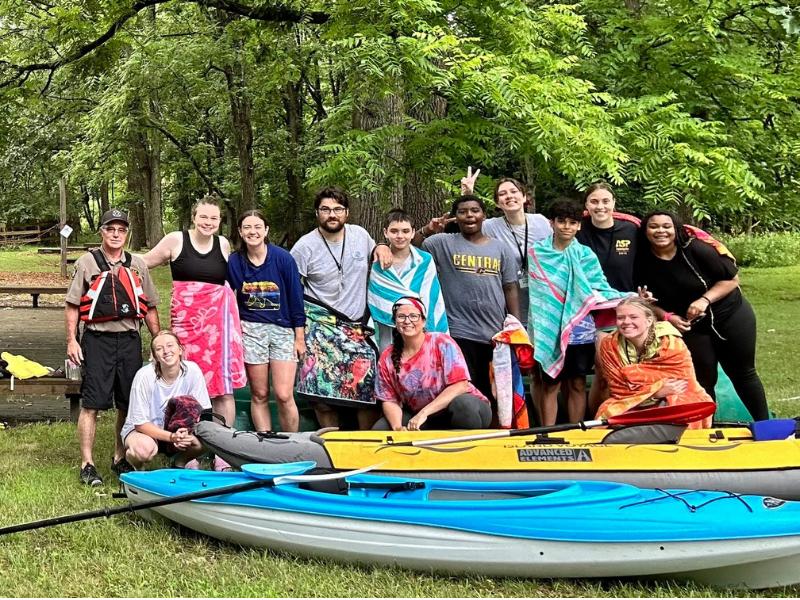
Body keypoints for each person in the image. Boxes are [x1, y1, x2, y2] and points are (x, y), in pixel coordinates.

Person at [633, 210, 769, 420]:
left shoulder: (695, 249)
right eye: (654, 226)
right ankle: (707, 431)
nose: (661, 231)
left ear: (676, 229)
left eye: (666, 226)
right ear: (645, 231)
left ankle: (764, 425)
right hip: (690, 325)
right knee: (702, 379)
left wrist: (704, 300)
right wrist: (668, 317)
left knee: (743, 373)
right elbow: (647, 302)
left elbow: (732, 280)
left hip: (730, 315)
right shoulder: (641, 260)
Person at [143, 195, 246, 470]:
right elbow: (144, 263)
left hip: (218, 330)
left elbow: (233, 284)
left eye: (214, 218)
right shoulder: (176, 240)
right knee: (184, 386)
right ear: (194, 217)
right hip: (186, 329)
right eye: (203, 217)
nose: (208, 222)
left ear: (220, 221)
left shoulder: (223, 244)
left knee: (222, 392)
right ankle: (187, 451)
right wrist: (111, 258)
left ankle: (224, 454)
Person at [65, 208, 161, 486]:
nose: (116, 234)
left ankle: (120, 457)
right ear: (102, 232)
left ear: (127, 233)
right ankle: (87, 464)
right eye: (110, 229)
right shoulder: (87, 263)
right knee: (92, 403)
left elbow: (151, 306)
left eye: (121, 229)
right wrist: (71, 340)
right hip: (97, 340)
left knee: (126, 403)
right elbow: (72, 305)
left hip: (130, 340)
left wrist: (157, 341)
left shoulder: (137, 264)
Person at [290, 186, 392, 430]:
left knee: (365, 393)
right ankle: (330, 446)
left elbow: (379, 254)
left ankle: (365, 445)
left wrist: (382, 245)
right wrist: (299, 335)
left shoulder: (359, 235)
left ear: (346, 212)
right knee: (322, 396)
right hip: (320, 326)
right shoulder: (305, 246)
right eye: (325, 209)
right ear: (317, 213)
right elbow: (293, 291)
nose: (332, 214)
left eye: (337, 209)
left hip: (357, 327)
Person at [528, 199, 631, 426]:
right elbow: (540, 295)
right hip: (548, 327)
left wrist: (630, 297)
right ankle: (548, 433)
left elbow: (600, 288)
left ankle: (576, 431)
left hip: (580, 327)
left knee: (576, 382)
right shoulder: (536, 254)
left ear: (579, 226)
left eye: (572, 222)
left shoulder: (586, 255)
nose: (566, 226)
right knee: (550, 383)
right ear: (551, 223)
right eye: (561, 221)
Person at [414, 194, 520, 414]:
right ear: (455, 217)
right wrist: (428, 229)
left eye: (475, 210)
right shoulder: (441, 243)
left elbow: (510, 287)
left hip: (495, 335)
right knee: (465, 393)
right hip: (459, 334)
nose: (469, 215)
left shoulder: (501, 249)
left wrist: (516, 325)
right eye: (462, 212)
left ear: (484, 215)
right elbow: (410, 247)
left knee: (496, 393)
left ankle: (494, 437)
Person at [227, 210, 305, 432]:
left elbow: (296, 299)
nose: (253, 232)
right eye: (248, 227)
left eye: (258, 227)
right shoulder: (235, 261)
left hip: (283, 329)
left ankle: (292, 443)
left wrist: (299, 337)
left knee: (283, 393)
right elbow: (226, 294)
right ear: (241, 232)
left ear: (266, 230)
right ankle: (266, 442)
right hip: (251, 330)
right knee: (259, 393)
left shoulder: (283, 259)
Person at [374, 298, 491, 430]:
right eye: (401, 317)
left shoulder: (441, 342)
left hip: (466, 411)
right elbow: (389, 400)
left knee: (463, 405)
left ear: (423, 321)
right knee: (382, 429)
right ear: (395, 322)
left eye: (413, 316)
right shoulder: (387, 356)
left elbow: (460, 386)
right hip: (424, 417)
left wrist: (424, 413)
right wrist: (397, 428)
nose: (407, 321)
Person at [595, 297, 713, 429]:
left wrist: (632, 377)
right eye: (621, 318)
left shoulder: (671, 343)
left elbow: (683, 383)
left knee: (685, 405)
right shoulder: (610, 345)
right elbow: (619, 390)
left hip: (675, 396)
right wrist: (655, 391)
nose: (626, 322)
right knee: (606, 412)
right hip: (629, 400)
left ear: (649, 320)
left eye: (634, 317)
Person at [575, 181, 640, 413]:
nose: (600, 206)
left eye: (605, 201)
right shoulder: (577, 230)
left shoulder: (632, 230)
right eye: (594, 201)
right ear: (586, 205)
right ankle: (597, 421)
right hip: (589, 312)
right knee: (603, 370)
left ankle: (626, 418)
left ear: (614, 203)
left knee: (630, 369)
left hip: (626, 310)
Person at [459, 167, 551, 326]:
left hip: (543, 302)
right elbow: (467, 224)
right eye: (502, 194)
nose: (509, 196)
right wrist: (468, 195)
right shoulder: (490, 227)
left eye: (513, 191)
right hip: (508, 303)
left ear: (523, 197)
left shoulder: (541, 222)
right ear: (497, 203)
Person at [122, 330, 211, 469]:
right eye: (159, 348)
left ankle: (179, 462)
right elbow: (140, 424)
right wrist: (171, 437)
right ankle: (136, 466)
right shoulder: (143, 377)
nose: (166, 351)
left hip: (179, 429)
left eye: (170, 345)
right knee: (144, 450)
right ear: (154, 356)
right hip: (143, 431)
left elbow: (202, 411)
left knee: (209, 439)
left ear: (180, 349)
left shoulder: (193, 371)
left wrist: (185, 434)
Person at [367, 208, 448, 352]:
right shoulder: (376, 263)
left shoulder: (425, 260)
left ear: (412, 232)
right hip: (387, 335)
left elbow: (432, 299)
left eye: (405, 231)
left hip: (419, 334)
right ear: (385, 232)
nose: (400, 236)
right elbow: (376, 298)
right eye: (394, 231)